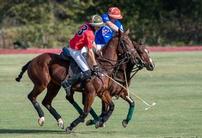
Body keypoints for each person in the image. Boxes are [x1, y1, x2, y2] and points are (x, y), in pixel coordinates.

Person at [61, 15, 104, 96]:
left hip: (75, 46)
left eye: (99, 26)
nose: (99, 28)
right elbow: (90, 52)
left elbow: (91, 42)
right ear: (94, 25)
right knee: (87, 72)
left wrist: (97, 49)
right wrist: (95, 65)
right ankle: (67, 83)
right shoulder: (90, 33)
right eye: (98, 26)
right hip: (75, 51)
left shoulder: (86, 25)